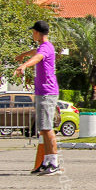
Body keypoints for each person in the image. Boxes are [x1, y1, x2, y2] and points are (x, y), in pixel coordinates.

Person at [15, 20, 61, 175]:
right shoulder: (45, 46)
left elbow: (38, 57)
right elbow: (36, 52)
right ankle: (47, 161)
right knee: (43, 128)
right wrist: (23, 55)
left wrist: (24, 65)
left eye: (33, 31)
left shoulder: (45, 48)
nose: (32, 34)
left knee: (47, 128)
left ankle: (54, 162)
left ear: (37, 33)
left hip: (47, 92)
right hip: (43, 92)